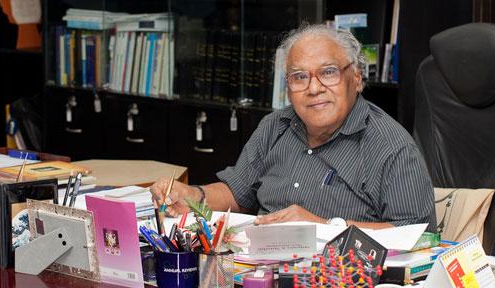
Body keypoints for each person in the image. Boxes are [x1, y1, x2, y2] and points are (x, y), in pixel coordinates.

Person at [151, 23, 436, 231]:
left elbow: (418, 235)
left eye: (328, 72)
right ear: (288, 87)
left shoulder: (391, 146)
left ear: (357, 79)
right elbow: (237, 193)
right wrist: (192, 196)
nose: (314, 88)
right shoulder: (275, 126)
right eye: (300, 77)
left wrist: (324, 227)